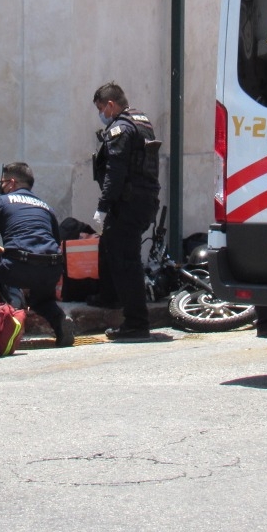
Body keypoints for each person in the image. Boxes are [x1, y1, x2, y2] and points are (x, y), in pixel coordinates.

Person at [91, 82, 161, 341]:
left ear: (110, 104)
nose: (101, 114)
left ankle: (136, 323)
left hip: (129, 203)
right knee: (111, 248)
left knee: (126, 261)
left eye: (101, 108)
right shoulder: (141, 121)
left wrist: (102, 207)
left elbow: (115, 173)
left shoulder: (120, 127)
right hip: (143, 200)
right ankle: (108, 298)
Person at [0, 162, 73, 347]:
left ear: (11, 183)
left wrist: (6, 253)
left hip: (18, 266)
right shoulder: (46, 207)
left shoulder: (0, 202)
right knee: (41, 300)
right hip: (52, 267)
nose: (2, 186)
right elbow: (53, 244)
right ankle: (59, 320)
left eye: (2, 182)